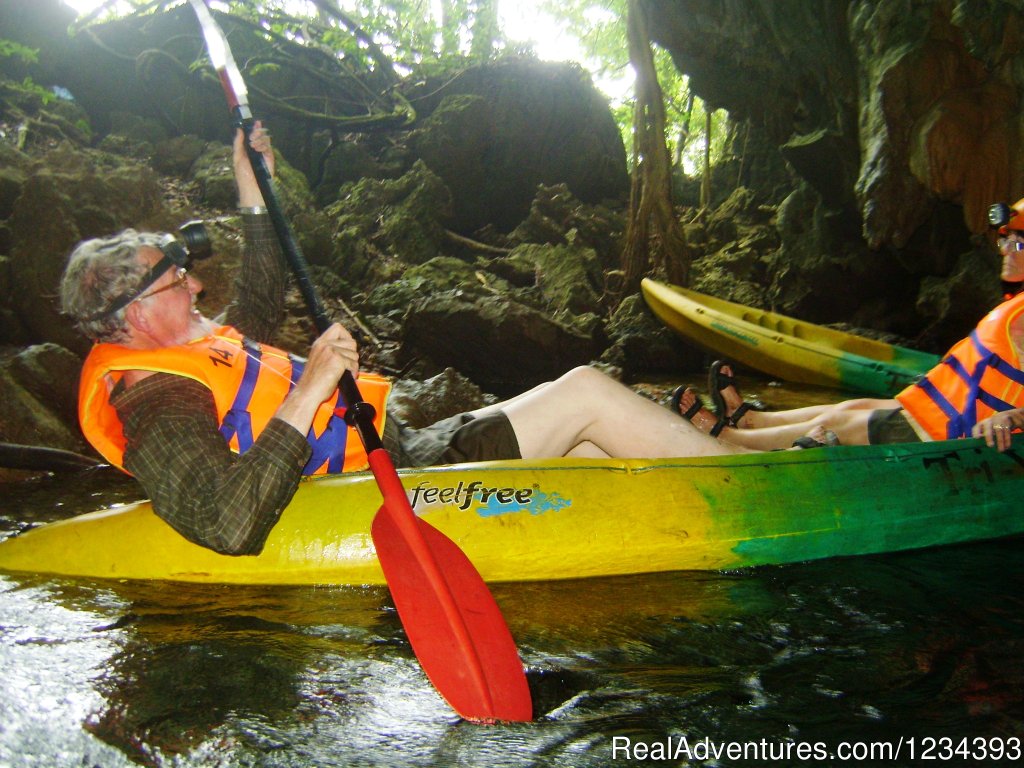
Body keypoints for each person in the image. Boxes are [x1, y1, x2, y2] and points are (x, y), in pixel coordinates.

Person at [63, 124, 819, 557]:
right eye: (175, 281)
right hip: (383, 487)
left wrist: (250, 179)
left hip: (407, 447)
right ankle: (774, 495)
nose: (195, 287)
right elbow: (224, 521)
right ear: (130, 316)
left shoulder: (184, 346)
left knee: (591, 443)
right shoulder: (154, 398)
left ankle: (759, 461)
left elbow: (258, 293)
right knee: (586, 392)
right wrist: (312, 387)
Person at [674, 203, 1024, 454]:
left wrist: (1011, 417)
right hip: (940, 411)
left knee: (842, 427)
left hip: (958, 434)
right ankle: (749, 419)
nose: (1006, 250)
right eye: (1005, 240)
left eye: (1019, 243)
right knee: (849, 408)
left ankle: (729, 441)